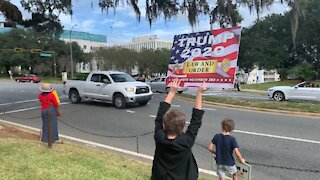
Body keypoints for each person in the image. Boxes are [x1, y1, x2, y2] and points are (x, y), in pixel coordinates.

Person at [151, 79, 207, 180]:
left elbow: (160, 115)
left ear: (164, 126)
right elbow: (196, 119)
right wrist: (199, 93)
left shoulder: (159, 137)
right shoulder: (186, 141)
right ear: (183, 128)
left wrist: (172, 92)